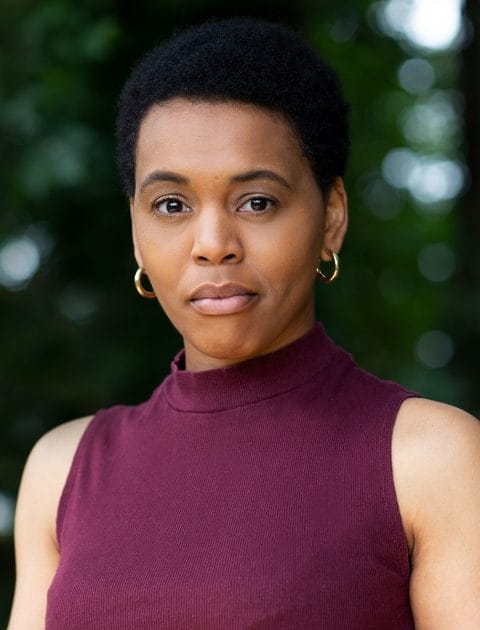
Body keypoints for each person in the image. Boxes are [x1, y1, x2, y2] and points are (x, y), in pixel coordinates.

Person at [8, 16, 480, 630]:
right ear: (136, 232)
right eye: (171, 205)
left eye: (257, 201)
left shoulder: (431, 458)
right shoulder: (63, 469)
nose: (212, 244)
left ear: (332, 217)